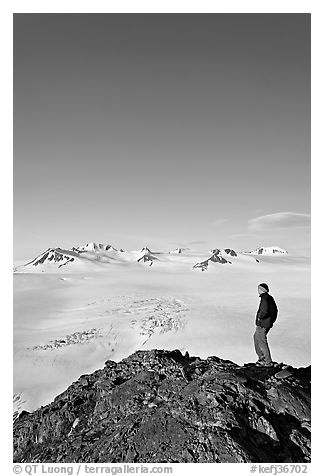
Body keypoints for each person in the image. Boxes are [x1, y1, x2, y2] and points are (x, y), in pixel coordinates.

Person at [254, 283, 278, 367]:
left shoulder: (264, 299)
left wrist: (260, 319)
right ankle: (262, 358)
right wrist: (272, 321)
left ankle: (267, 361)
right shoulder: (270, 298)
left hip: (262, 324)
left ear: (262, 290)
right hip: (267, 323)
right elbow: (275, 310)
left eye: (259, 289)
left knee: (261, 341)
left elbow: (264, 310)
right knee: (256, 338)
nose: (258, 291)